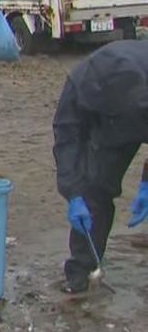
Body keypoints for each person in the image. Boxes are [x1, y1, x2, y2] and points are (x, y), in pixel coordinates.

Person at [53, 40, 148, 294]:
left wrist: (147, 183)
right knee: (95, 189)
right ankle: (82, 270)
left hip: (132, 113)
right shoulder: (80, 85)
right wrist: (73, 193)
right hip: (101, 117)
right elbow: (66, 141)